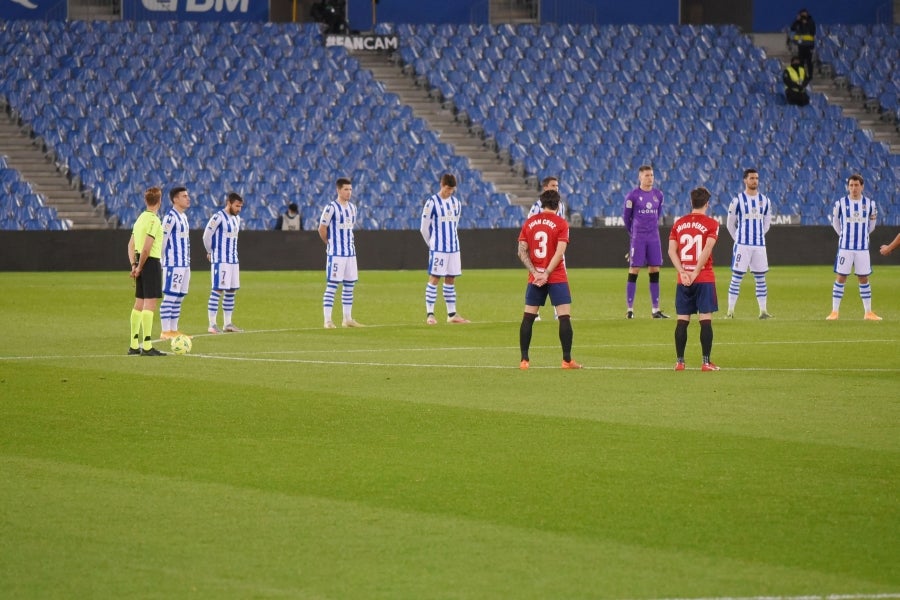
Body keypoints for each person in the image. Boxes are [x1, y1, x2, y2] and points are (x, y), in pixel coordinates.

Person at [517, 189, 581, 370]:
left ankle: (524, 360)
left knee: (528, 317)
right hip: (557, 275)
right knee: (564, 317)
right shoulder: (561, 223)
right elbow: (560, 252)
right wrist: (547, 273)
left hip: (535, 276)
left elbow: (521, 251)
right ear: (558, 204)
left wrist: (536, 272)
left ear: (541, 204)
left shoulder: (529, 223)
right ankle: (567, 360)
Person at [668, 187, 720, 371]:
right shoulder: (712, 224)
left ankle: (680, 362)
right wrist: (696, 271)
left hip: (684, 280)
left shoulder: (678, 223)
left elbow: (671, 251)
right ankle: (706, 362)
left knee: (682, 320)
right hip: (703, 277)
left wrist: (682, 272)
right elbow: (707, 249)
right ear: (707, 204)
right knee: (705, 319)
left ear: (691, 202)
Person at [827, 174, 881, 321]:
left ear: (862, 187)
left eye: (856, 185)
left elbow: (872, 226)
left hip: (862, 248)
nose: (854, 188)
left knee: (864, 278)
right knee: (841, 277)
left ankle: (868, 312)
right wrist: (844, 235)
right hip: (845, 247)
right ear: (848, 187)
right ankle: (834, 312)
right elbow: (836, 223)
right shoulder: (841, 204)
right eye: (851, 185)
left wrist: (863, 235)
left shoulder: (870, 204)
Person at [420, 173, 470, 325]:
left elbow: (454, 225)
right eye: (448, 188)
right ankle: (430, 314)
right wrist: (432, 244)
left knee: (451, 279)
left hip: (454, 248)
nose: (450, 192)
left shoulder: (456, 203)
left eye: (453, 189)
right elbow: (423, 228)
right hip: (439, 249)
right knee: (435, 278)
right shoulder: (431, 203)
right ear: (442, 185)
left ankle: (452, 314)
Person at [725, 168, 774, 319]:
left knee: (760, 278)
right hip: (742, 246)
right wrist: (739, 239)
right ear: (745, 180)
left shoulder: (765, 200)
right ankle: (730, 311)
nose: (755, 181)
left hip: (759, 246)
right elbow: (730, 224)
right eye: (752, 178)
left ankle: (763, 311)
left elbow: (766, 223)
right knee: (736, 277)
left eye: (757, 178)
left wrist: (758, 236)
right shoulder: (737, 200)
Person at [623, 165, 669, 319]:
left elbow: (658, 215)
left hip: (654, 237)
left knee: (655, 270)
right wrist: (634, 234)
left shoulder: (658, 195)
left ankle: (655, 310)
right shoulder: (633, 196)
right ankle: (630, 309)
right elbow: (626, 218)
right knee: (634, 269)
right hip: (638, 238)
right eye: (647, 175)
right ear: (640, 177)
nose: (650, 178)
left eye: (652, 175)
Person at [318, 177, 363, 328]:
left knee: (349, 286)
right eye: (346, 189)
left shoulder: (353, 208)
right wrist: (329, 243)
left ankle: (347, 319)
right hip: (336, 253)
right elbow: (322, 229)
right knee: (332, 286)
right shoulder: (330, 208)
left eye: (350, 189)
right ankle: (328, 320)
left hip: (350, 253)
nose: (349, 192)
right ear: (338, 190)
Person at [126, 186, 166, 356]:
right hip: (150, 263)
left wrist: (134, 266)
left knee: (139, 303)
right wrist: (141, 266)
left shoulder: (140, 219)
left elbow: (130, 245)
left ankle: (134, 345)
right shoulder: (155, 221)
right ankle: (147, 346)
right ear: (160, 201)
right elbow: (147, 248)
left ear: (145, 201)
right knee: (150, 304)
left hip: (139, 262)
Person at [203, 192, 245, 334]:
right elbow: (206, 235)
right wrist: (210, 251)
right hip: (221, 260)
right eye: (237, 206)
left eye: (240, 206)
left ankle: (228, 324)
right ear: (229, 203)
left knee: (231, 290)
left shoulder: (237, 219)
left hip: (234, 259)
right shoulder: (218, 217)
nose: (239, 209)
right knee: (217, 290)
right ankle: (212, 324)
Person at [527, 175, 564, 321]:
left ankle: (558, 312)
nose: (556, 188)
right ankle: (534, 312)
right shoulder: (537, 206)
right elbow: (529, 226)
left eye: (557, 185)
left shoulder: (561, 205)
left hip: (556, 249)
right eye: (553, 186)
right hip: (542, 251)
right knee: (537, 277)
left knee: (558, 279)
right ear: (545, 188)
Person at [159, 186, 192, 339]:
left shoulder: (183, 217)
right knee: (170, 296)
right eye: (184, 196)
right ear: (175, 199)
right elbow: (162, 240)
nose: (188, 198)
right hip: (173, 263)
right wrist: (160, 260)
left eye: (187, 195)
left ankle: (174, 330)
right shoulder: (170, 218)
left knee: (179, 297)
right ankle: (165, 331)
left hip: (184, 263)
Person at [789, 8, 816, 76]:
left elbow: (813, 32)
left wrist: (806, 23)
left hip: (809, 46)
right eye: (802, 15)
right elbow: (792, 28)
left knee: (809, 62)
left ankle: (810, 76)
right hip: (801, 46)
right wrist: (797, 20)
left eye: (804, 14)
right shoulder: (798, 22)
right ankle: (802, 75)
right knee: (801, 62)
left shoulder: (811, 22)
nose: (803, 16)